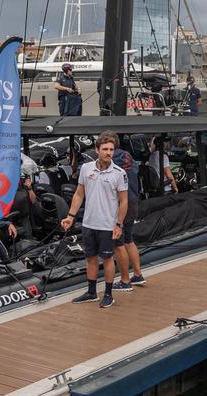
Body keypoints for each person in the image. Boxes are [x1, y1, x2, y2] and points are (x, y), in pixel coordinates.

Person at [61, 132, 129, 308]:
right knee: (90, 258)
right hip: (89, 223)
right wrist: (70, 216)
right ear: (96, 150)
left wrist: (119, 224)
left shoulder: (119, 173)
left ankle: (108, 294)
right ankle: (91, 292)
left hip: (108, 225)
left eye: (111, 149)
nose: (109, 153)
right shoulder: (86, 169)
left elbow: (124, 201)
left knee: (107, 259)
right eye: (105, 149)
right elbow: (79, 194)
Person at [110, 135, 146, 291]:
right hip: (133, 199)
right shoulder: (128, 157)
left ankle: (125, 281)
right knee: (128, 239)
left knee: (118, 243)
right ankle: (137, 275)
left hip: (120, 204)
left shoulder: (110, 161)